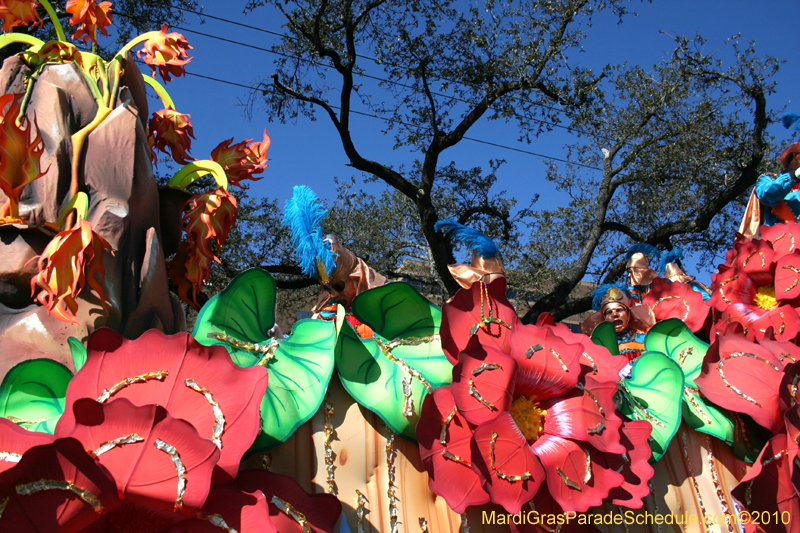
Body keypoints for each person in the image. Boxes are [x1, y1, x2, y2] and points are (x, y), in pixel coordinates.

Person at [283, 186, 385, 338]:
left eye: (338, 286)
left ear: (357, 279)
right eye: (328, 289)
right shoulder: (326, 314)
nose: (334, 294)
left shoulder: (382, 310)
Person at [740, 113, 800, 236]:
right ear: (796, 155)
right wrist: (795, 176)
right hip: (779, 246)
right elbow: (766, 195)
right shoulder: (769, 179)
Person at [581, 285, 654, 361]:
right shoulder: (599, 345)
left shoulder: (646, 340)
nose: (615, 314)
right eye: (609, 312)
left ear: (628, 314)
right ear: (604, 318)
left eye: (619, 310)